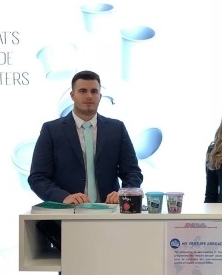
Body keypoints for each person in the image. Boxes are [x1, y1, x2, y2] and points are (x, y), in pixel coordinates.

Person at [28, 70, 142, 248]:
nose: (89, 96)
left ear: (100, 96)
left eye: (94, 91)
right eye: (82, 91)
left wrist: (124, 193)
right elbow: (37, 177)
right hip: (67, 219)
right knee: (73, 265)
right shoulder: (51, 130)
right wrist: (64, 197)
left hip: (110, 216)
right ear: (72, 95)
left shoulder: (116, 129)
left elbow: (133, 172)